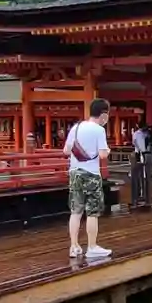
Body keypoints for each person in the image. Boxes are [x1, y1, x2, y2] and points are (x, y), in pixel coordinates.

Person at [65, 98, 112, 258]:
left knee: (76, 211)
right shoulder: (99, 130)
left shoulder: (76, 127)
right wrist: (108, 151)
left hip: (74, 172)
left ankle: (74, 246)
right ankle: (91, 247)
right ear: (103, 114)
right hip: (91, 174)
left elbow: (66, 150)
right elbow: (103, 154)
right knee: (92, 212)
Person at [130, 124, 151, 207]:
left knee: (144, 172)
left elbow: (148, 138)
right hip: (138, 152)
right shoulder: (136, 133)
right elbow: (134, 142)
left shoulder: (144, 133)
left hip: (144, 152)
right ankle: (137, 195)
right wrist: (139, 149)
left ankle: (143, 195)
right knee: (137, 172)